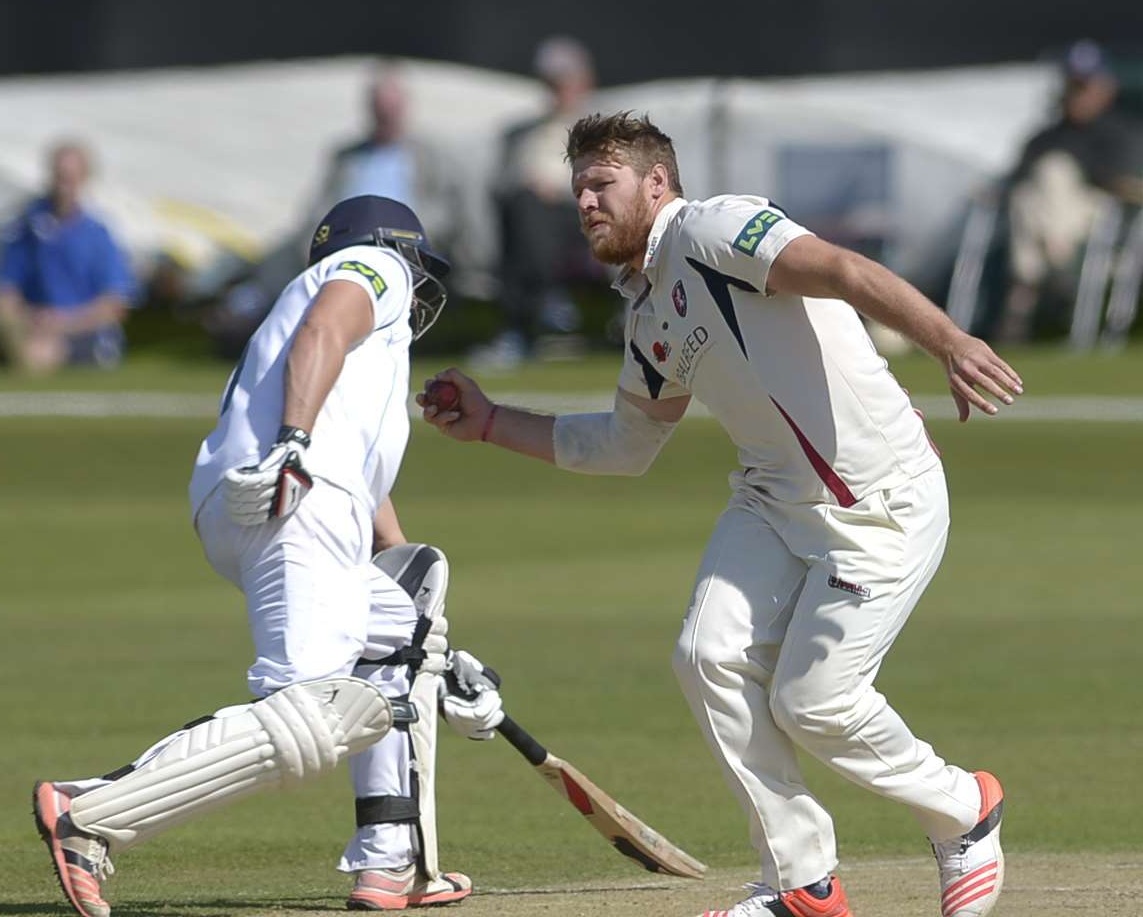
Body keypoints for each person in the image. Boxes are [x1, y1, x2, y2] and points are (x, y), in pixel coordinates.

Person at [420, 114, 1021, 917]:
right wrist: (493, 422)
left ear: (656, 184)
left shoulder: (714, 226)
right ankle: (801, 883)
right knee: (705, 655)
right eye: (578, 191)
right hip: (771, 500)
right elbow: (625, 445)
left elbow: (841, 268)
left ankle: (963, 810)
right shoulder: (645, 313)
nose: (586, 203)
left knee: (814, 705)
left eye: (603, 184)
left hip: (883, 503)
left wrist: (947, 340)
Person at [32, 196, 505, 917]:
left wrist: (439, 658)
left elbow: (367, 496)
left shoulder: (334, 353)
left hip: (276, 501)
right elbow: (328, 323)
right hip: (293, 496)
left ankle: (394, 863)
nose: (418, 285)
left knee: (404, 625)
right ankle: (90, 810)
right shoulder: (370, 266)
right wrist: (293, 440)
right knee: (316, 711)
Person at [205, 67, 467, 358]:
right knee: (277, 255)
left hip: (400, 244)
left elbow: (446, 210)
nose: (386, 116)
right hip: (344, 239)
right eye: (380, 109)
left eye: (391, 109)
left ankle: (262, 325)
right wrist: (312, 241)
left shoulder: (428, 154)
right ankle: (245, 317)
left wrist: (407, 234)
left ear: (405, 108)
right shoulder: (346, 155)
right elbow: (317, 207)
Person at [997, 41, 1143, 341]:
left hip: (1097, 215)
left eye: (1085, 86)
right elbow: (1014, 179)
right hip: (1049, 219)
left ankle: (1024, 296)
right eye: (1073, 86)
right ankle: (1057, 266)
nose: (1078, 94)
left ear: (1105, 88)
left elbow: (1125, 186)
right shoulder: (1045, 135)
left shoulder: (1119, 132)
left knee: (1054, 171)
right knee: (1026, 199)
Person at [471, 36, 599, 367]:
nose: (558, 92)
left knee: (530, 214)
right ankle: (546, 299)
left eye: (564, 83)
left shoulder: (599, 128)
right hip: (528, 216)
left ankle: (533, 312)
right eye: (552, 84)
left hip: (580, 212)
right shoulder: (523, 134)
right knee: (524, 212)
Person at [0, 141, 135, 372]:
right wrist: (27, 318)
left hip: (83, 330)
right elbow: (5, 291)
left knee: (42, 352)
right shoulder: (28, 227)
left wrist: (62, 323)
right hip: (36, 326)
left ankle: (28, 361)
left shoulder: (98, 233)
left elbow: (114, 305)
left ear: (84, 179)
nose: (63, 186)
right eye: (59, 176)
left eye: (70, 178)